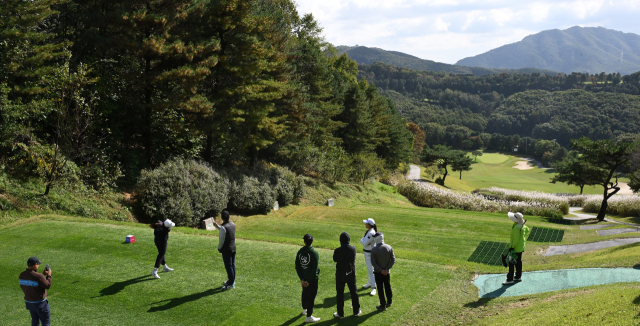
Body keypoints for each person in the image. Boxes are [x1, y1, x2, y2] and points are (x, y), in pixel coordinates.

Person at [332, 232, 362, 319]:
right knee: (354, 292)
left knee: (340, 294)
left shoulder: (337, 250)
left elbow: (335, 259)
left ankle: (340, 314)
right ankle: (356, 311)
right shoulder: (353, 249)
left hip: (340, 275)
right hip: (351, 273)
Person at [19, 257, 52, 326]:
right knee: (46, 322)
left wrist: (43, 275)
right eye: (38, 264)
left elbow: (30, 284)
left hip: (29, 303)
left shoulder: (21, 275)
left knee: (35, 321)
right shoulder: (38, 276)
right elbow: (47, 285)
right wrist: (49, 275)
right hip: (40, 304)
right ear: (35, 265)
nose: (38, 265)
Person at [295, 234, 321, 323]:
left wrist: (302, 279)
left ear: (304, 241)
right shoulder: (314, 253)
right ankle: (308, 316)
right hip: (312, 280)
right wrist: (309, 281)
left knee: (305, 293)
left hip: (304, 279)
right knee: (311, 297)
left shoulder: (300, 252)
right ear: (312, 241)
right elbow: (314, 270)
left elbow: (297, 266)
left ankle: (304, 310)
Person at [503, 212, 530, 285]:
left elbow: (515, 240)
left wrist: (512, 247)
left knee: (511, 263)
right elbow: (527, 230)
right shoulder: (522, 226)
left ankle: (510, 279)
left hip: (515, 248)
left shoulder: (516, 227)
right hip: (521, 247)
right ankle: (518, 276)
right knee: (518, 262)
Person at [213, 210, 236, 291]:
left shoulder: (223, 227)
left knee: (228, 267)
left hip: (227, 250)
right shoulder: (233, 224)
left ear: (222, 218)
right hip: (233, 248)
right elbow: (225, 231)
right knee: (232, 265)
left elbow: (222, 239)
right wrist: (217, 226)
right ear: (229, 217)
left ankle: (230, 284)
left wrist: (219, 248)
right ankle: (232, 281)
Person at [370, 233, 395, 311]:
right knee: (388, 286)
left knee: (380, 289)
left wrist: (381, 270)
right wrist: (386, 269)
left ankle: (383, 305)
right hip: (387, 273)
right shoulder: (389, 247)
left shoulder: (374, 249)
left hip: (378, 273)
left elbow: (373, 263)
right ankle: (390, 301)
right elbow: (393, 260)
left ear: (377, 239)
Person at [360, 218, 379, 296]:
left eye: (366, 223)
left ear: (369, 225)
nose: (365, 224)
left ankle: (374, 287)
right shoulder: (369, 231)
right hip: (367, 253)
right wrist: (363, 240)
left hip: (369, 254)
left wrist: (362, 240)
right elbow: (364, 242)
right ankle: (370, 282)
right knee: (369, 269)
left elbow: (364, 243)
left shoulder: (371, 233)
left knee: (371, 270)